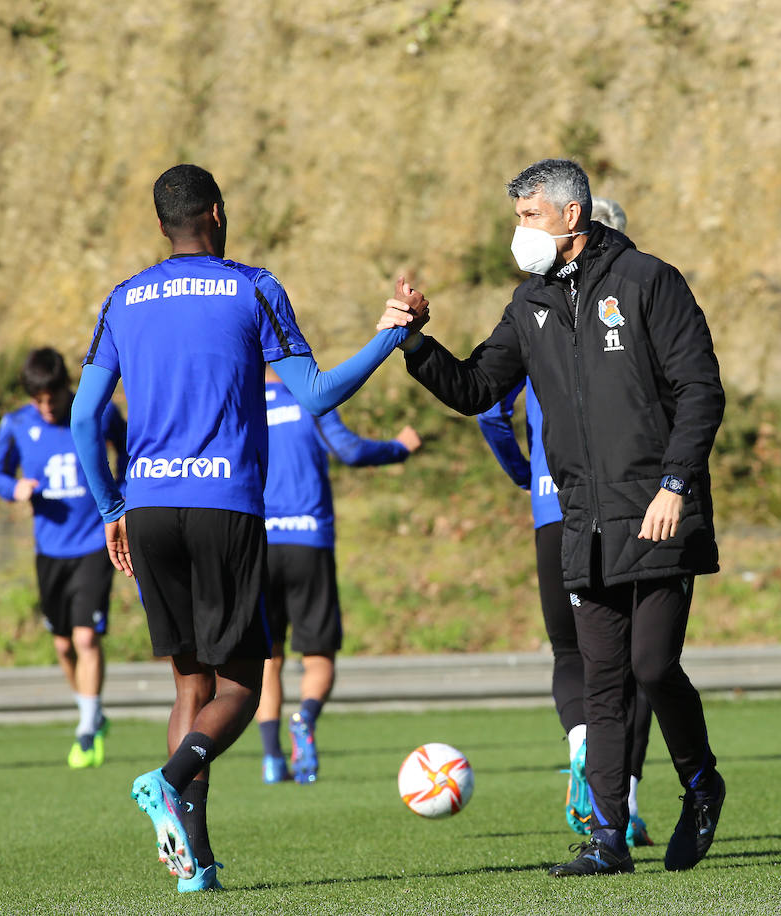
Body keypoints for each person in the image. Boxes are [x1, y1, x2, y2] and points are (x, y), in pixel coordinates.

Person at [71, 163, 425, 893]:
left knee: (189, 686)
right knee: (242, 681)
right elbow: (318, 394)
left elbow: (83, 420)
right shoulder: (252, 287)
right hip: (225, 505)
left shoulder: (123, 298)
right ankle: (169, 781)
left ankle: (193, 864)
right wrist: (390, 335)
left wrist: (112, 510)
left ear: (161, 224)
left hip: (149, 507)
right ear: (220, 213)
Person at [383, 159, 726, 877]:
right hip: (585, 527)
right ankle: (608, 838)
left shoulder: (648, 282)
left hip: (657, 510)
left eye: (529, 216)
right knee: (602, 683)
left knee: (653, 666)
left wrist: (674, 484)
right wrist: (413, 341)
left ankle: (701, 784)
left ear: (572, 215)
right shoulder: (530, 304)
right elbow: (478, 385)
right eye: (517, 218)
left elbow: (701, 391)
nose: (520, 232)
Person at [478, 377, 654, 847]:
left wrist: (525, 472)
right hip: (620, 505)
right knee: (636, 659)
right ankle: (626, 804)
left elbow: (490, 412)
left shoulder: (527, 321)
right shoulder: (615, 315)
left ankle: (580, 742)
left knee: (570, 652)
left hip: (550, 508)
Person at [257, 366, 422, 785]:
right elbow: (348, 450)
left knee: (267, 659)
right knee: (318, 656)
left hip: (257, 544)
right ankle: (305, 717)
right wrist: (398, 448)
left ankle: (273, 759)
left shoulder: (240, 403)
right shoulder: (309, 399)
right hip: (308, 542)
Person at [0, 347, 128, 768]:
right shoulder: (15, 424)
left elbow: (129, 449)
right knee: (64, 644)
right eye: (38, 400)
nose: (46, 408)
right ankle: (93, 714)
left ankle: (85, 730)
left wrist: (119, 495)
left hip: (92, 543)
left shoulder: (96, 412)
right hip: (49, 548)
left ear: (67, 387)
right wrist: (14, 490)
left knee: (86, 637)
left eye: (52, 398)